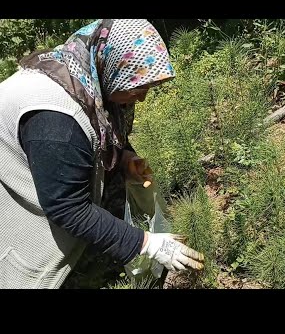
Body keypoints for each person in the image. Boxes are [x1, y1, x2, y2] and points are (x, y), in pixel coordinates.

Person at [0, 19, 204, 289]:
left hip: (47, 170)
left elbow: (97, 133)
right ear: (113, 66)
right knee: (23, 266)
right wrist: (145, 243)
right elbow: (66, 207)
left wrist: (124, 158)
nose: (141, 98)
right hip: (16, 204)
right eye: (137, 87)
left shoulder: (87, 74)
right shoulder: (55, 120)